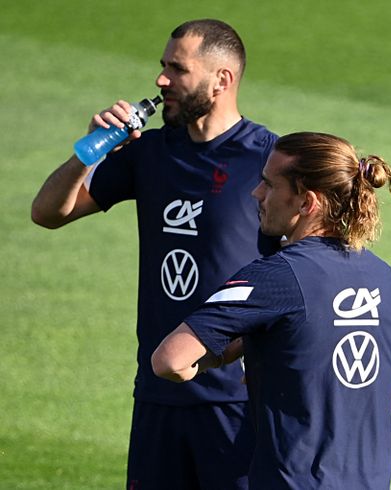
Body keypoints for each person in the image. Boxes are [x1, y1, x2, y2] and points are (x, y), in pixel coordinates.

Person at [31, 19, 277, 489]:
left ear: (221, 80)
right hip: (158, 394)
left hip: (236, 402)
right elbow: (47, 213)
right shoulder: (149, 151)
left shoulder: (268, 158)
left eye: (177, 69)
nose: (161, 80)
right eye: (162, 67)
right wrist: (89, 153)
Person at [152, 131, 391, 489]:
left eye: (269, 184)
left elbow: (170, 360)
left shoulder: (275, 277)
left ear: (306, 203)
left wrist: (216, 360)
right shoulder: (382, 276)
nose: (256, 194)